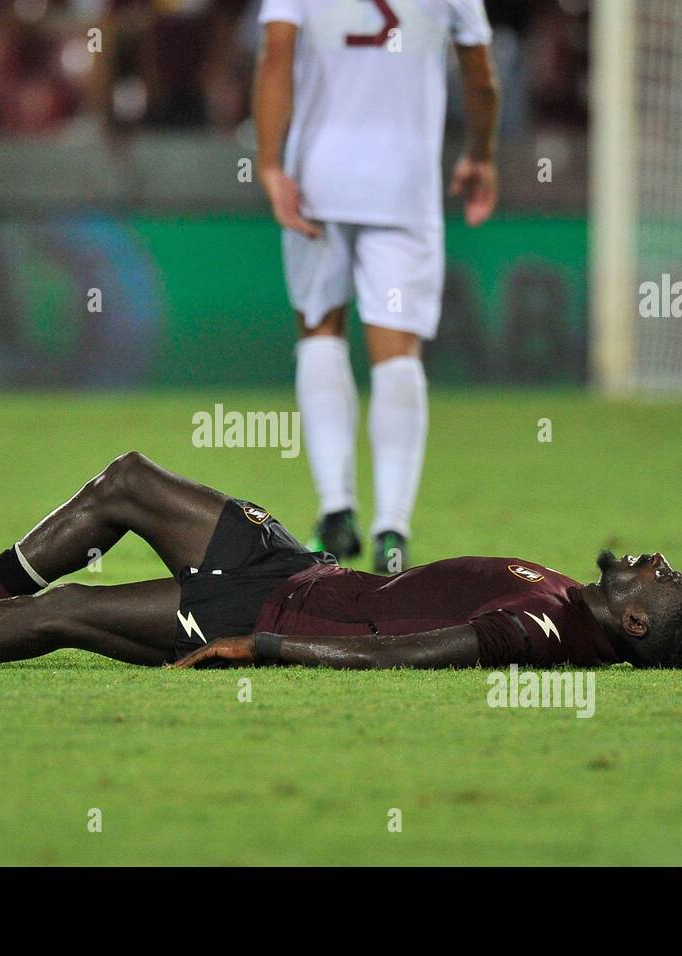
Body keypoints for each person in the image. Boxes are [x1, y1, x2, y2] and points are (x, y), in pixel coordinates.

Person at [0, 452, 682, 670]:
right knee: (126, 484)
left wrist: (261, 651)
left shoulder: (544, 629)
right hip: (296, 570)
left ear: (638, 623)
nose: (660, 560)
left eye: (668, 579)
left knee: (58, 618)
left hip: (271, 618)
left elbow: (411, 658)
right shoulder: (568, 604)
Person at [253, 0, 500, 569]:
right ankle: (393, 531)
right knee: (398, 352)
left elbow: (275, 57)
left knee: (320, 331)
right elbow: (481, 78)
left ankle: (336, 512)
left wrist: (269, 163)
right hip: (404, 184)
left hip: (318, 178)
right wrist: (481, 156)